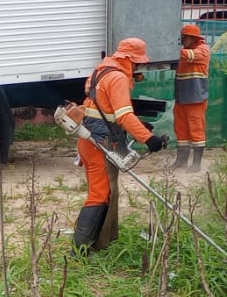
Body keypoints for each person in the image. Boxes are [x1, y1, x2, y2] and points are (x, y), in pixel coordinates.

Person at [73, 37, 167, 249]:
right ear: (130, 60)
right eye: (138, 63)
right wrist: (149, 139)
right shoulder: (117, 78)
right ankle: (79, 251)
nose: (139, 67)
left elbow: (104, 109)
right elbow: (123, 115)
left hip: (88, 140)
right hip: (100, 143)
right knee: (100, 194)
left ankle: (98, 243)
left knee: (104, 192)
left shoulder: (100, 71)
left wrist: (139, 124)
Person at [173, 23, 210, 171]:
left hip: (195, 98)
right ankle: (181, 161)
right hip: (182, 98)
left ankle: (196, 164)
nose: (182, 41)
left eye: (185, 38)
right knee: (181, 131)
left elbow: (189, 55)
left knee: (196, 130)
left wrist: (167, 45)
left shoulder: (203, 50)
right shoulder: (184, 51)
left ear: (194, 38)